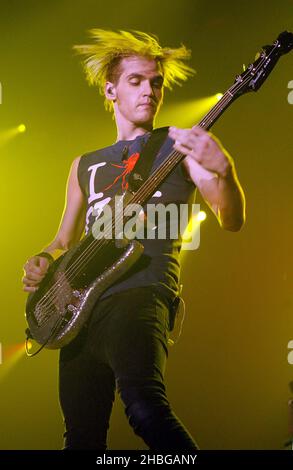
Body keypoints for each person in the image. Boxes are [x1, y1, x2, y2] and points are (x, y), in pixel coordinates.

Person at [22, 29, 245, 450]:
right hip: (79, 312)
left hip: (141, 294)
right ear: (111, 90)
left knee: (145, 409)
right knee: (81, 438)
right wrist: (42, 260)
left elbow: (230, 219)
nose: (150, 91)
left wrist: (225, 171)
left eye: (156, 82)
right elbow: (62, 240)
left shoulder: (178, 145)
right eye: (137, 81)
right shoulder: (83, 165)